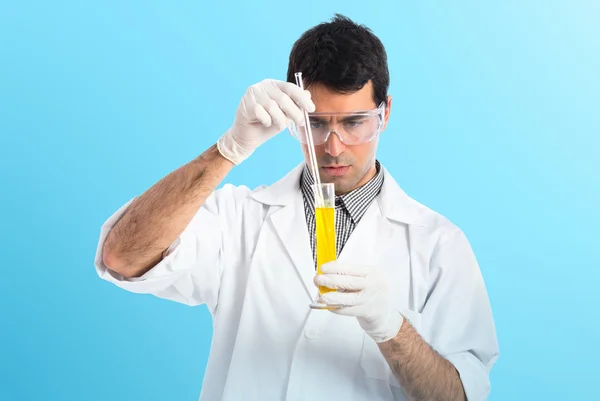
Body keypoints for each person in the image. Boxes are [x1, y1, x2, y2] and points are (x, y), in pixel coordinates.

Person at [95, 14, 499, 401]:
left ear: (385, 113)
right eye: (317, 124)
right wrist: (228, 149)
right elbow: (122, 256)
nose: (334, 147)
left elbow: (459, 396)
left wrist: (392, 328)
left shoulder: (438, 245)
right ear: (294, 118)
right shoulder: (240, 218)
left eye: (355, 122)